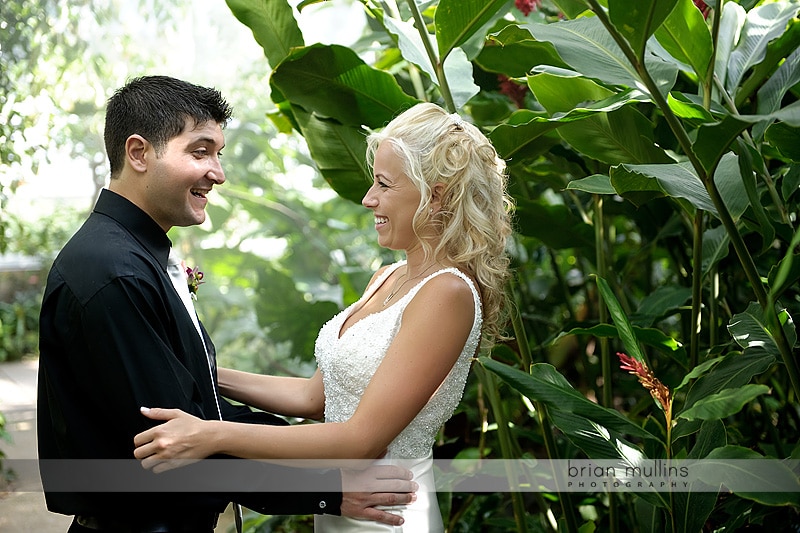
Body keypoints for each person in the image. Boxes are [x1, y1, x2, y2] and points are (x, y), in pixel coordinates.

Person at [37, 75, 416, 533]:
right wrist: (327, 488)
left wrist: (318, 452)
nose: (217, 172)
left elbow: (203, 415)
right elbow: (171, 441)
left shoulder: (137, 255)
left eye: (218, 153)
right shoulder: (113, 272)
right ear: (138, 153)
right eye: (199, 152)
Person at [132, 102, 514, 531]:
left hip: (389, 514)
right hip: (342, 511)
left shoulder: (447, 293)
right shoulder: (386, 276)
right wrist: (203, 369)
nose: (369, 199)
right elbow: (316, 397)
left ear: (436, 194)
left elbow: (360, 439)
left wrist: (211, 434)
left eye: (384, 185)